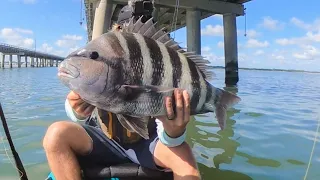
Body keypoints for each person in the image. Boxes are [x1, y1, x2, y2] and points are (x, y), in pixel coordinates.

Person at [42, 3, 201, 180]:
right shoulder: (101, 59)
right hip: (103, 140)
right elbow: (79, 109)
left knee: (186, 161)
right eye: (120, 30)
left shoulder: (157, 64)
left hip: (147, 144)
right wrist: (75, 109)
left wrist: (174, 131)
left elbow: (170, 135)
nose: (125, 34)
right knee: (56, 135)